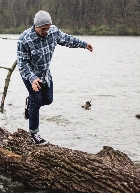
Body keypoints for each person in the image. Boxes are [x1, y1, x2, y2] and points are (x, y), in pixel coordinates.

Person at [17, 10, 93, 145]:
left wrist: (83, 44)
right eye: (43, 29)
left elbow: (67, 39)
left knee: (48, 100)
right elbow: (22, 64)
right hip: (30, 75)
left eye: (48, 28)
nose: (46, 31)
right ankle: (34, 134)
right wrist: (32, 78)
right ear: (36, 26)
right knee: (36, 98)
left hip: (45, 74)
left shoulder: (53, 32)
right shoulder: (24, 39)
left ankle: (30, 106)